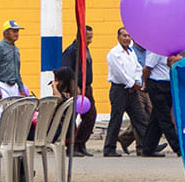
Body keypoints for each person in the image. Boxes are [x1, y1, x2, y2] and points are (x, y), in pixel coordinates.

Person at [103, 27, 146, 158]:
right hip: (119, 89)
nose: (127, 38)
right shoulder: (114, 53)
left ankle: (149, 145)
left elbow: (138, 68)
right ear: (118, 37)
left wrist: (137, 81)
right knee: (116, 119)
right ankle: (109, 148)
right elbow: (119, 73)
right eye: (124, 36)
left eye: (128, 36)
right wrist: (132, 83)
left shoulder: (131, 52)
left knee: (140, 118)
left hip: (132, 90)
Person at [137, 42, 182, 157]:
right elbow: (147, 68)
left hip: (167, 84)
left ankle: (148, 148)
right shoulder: (155, 48)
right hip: (157, 84)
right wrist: (145, 83)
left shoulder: (170, 48)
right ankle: (178, 148)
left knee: (156, 119)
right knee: (164, 118)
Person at [60, 25, 96, 156]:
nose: (90, 40)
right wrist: (73, 86)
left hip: (87, 87)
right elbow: (66, 70)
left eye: (91, 38)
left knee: (90, 116)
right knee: (71, 118)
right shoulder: (71, 51)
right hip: (76, 88)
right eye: (88, 38)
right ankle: (71, 146)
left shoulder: (86, 49)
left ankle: (80, 143)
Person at [0, 20, 27, 100]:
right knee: (3, 107)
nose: (16, 34)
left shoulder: (16, 49)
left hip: (13, 85)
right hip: (1, 84)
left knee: (14, 107)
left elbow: (17, 72)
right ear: (6, 33)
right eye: (14, 31)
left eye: (17, 31)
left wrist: (21, 88)